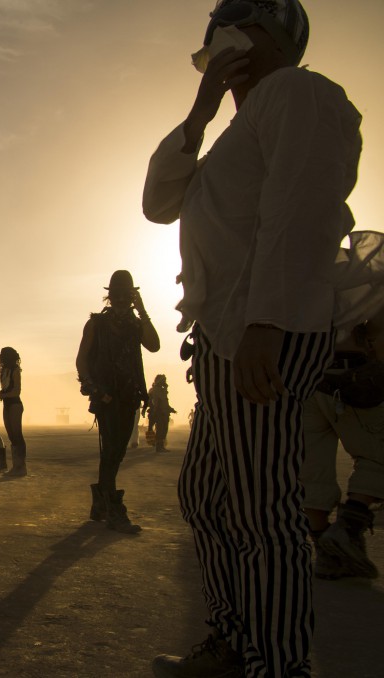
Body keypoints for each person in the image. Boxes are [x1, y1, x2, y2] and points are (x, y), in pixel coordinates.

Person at [143, 1, 360, 675]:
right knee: (208, 499)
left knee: (262, 515)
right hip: (227, 338)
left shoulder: (299, 92)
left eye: (241, 15)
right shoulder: (234, 132)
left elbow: (302, 208)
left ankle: (276, 663)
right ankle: (234, 643)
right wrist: (201, 111)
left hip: (264, 333)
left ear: (281, 35)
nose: (221, 27)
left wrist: (268, 322)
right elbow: (157, 203)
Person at [75, 270, 158, 534]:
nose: (122, 299)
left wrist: (143, 311)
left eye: (127, 295)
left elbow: (154, 345)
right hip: (107, 395)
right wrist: (91, 386)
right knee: (111, 450)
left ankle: (100, 500)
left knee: (117, 452)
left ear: (132, 297)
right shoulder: (96, 324)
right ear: (109, 296)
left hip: (130, 395)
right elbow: (82, 358)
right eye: (117, 294)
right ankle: (113, 509)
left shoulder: (136, 324)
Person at [301, 322, 381, 580]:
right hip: (353, 375)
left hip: (304, 378)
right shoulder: (362, 281)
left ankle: (327, 554)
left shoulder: (288, 283)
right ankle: (347, 531)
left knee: (313, 470)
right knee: (377, 456)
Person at [0, 347, 27, 477]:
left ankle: (21, 466)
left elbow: (17, 391)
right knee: (11, 435)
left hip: (14, 404)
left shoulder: (15, 371)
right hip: (7, 404)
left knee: (17, 435)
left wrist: (4, 395)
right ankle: (16, 466)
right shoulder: (4, 371)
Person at [143, 374, 175, 453]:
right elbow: (152, 402)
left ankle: (160, 446)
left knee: (164, 430)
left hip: (163, 413)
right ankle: (159, 447)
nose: (165, 382)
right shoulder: (155, 390)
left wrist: (170, 409)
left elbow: (165, 402)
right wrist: (149, 410)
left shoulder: (161, 390)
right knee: (161, 430)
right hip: (159, 414)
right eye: (164, 380)